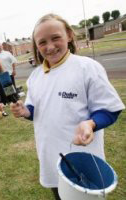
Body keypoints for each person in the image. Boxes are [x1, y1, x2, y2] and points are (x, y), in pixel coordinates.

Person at [10, 14, 125, 200]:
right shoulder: (36, 76)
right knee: (59, 195)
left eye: (56, 38)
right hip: (50, 157)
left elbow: (110, 109)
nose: (50, 46)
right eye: (42, 42)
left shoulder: (87, 68)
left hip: (84, 158)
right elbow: (34, 108)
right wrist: (25, 111)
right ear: (36, 46)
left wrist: (91, 124)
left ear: (69, 35)